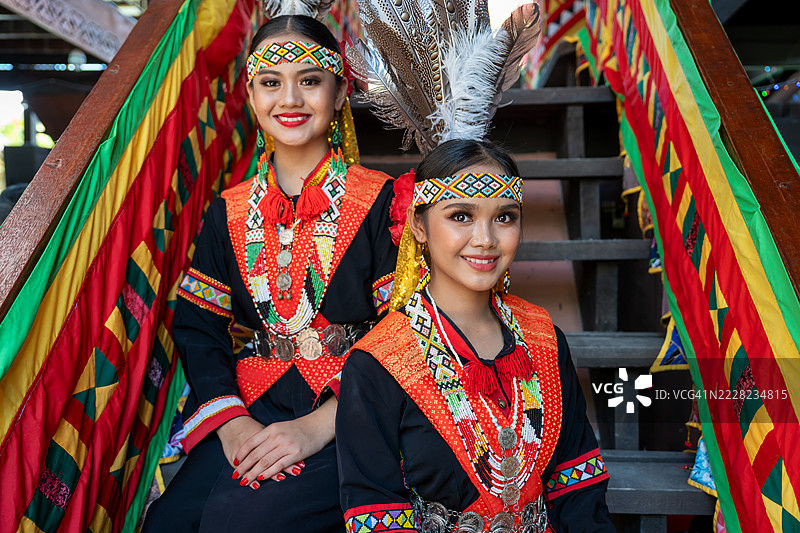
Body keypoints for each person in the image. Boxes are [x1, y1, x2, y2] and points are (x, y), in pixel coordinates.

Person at [143, 13, 398, 533]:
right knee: (169, 523)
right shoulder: (228, 211)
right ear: (251, 94)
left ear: (340, 92)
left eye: (310, 81)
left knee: (242, 521)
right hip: (251, 405)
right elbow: (198, 329)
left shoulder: (382, 201)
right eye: (271, 82)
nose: (291, 99)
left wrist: (317, 427)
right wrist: (232, 424)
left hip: (348, 407)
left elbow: (406, 330)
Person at [336, 139, 615, 532]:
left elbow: (578, 486)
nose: (485, 239)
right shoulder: (378, 362)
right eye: (461, 216)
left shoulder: (543, 338)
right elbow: (375, 511)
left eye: (504, 217)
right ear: (418, 224)